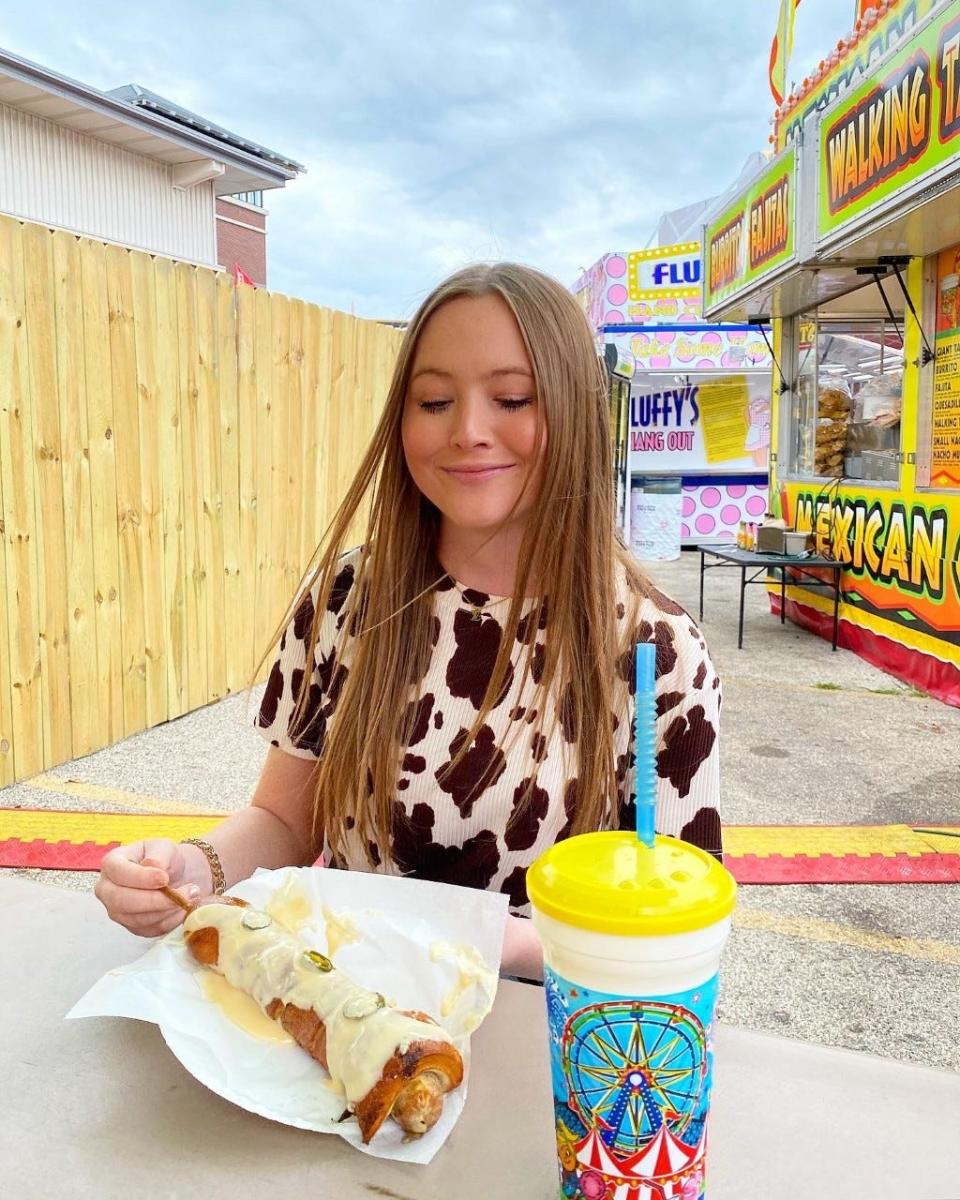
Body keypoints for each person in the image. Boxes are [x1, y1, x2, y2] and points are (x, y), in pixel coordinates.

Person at [95, 263, 721, 980]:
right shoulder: (347, 596)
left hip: (538, 1042)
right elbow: (285, 823)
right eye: (433, 401)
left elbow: (679, 935)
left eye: (512, 397)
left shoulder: (657, 652)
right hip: (350, 1021)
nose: (469, 431)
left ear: (576, 412)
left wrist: (487, 943)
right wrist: (192, 867)